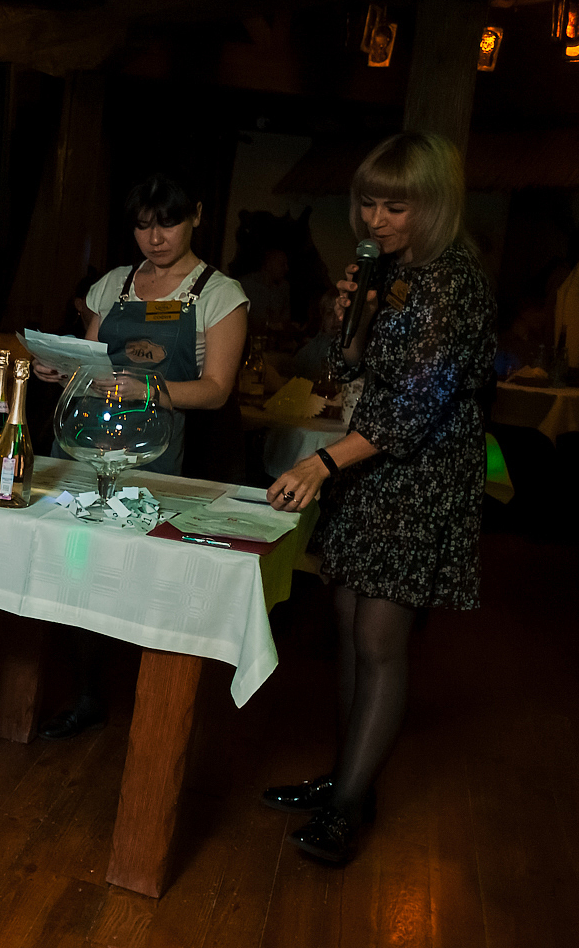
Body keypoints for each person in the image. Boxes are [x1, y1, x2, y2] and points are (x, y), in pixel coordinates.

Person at [261, 131, 496, 865]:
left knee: (379, 642)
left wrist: (321, 464)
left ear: (435, 205)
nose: (376, 219)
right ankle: (345, 781)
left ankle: (348, 809)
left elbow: (414, 408)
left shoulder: (453, 282)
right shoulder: (391, 270)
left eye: (397, 207)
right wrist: (351, 321)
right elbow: (350, 370)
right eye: (368, 203)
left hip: (421, 477)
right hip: (372, 470)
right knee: (346, 623)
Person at [34, 175, 250, 739]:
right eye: (143, 226)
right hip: (86, 441)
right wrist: (60, 369)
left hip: (158, 450)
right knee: (75, 566)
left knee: (138, 573)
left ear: (196, 215)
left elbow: (217, 389)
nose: (155, 238)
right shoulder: (115, 284)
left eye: (168, 223)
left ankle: (154, 708)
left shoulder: (219, 294)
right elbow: (89, 359)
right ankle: (86, 692)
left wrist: (149, 389)